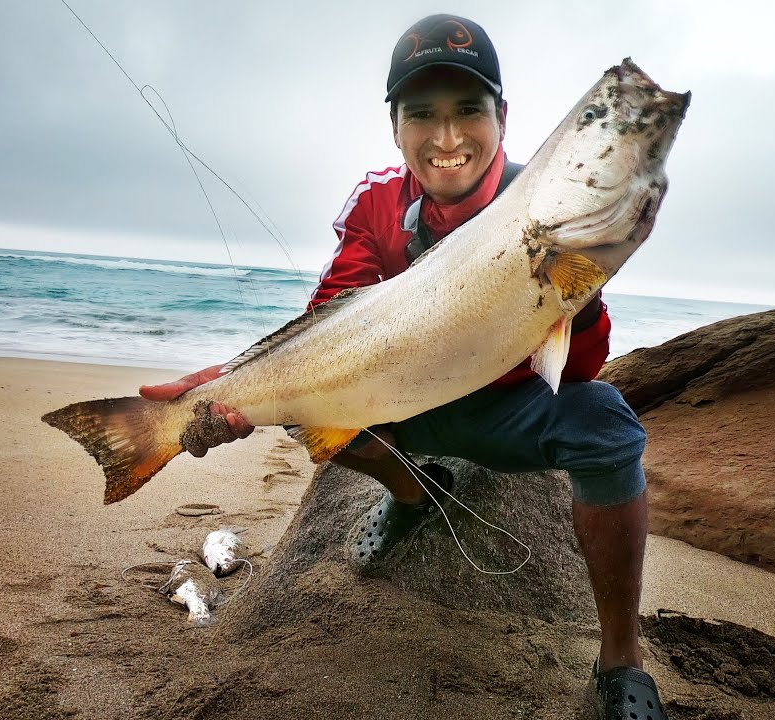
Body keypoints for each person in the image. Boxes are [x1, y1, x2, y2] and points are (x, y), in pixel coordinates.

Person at [139, 14, 667, 719]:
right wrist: (229, 387)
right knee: (307, 405)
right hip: (403, 407)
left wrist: (580, 287)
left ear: (502, 117)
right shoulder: (378, 203)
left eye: (467, 112)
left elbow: (577, 370)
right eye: (422, 115)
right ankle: (417, 493)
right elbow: (327, 317)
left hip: (509, 409)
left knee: (607, 423)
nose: (446, 139)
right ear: (395, 126)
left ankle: (620, 661)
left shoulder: (546, 203)